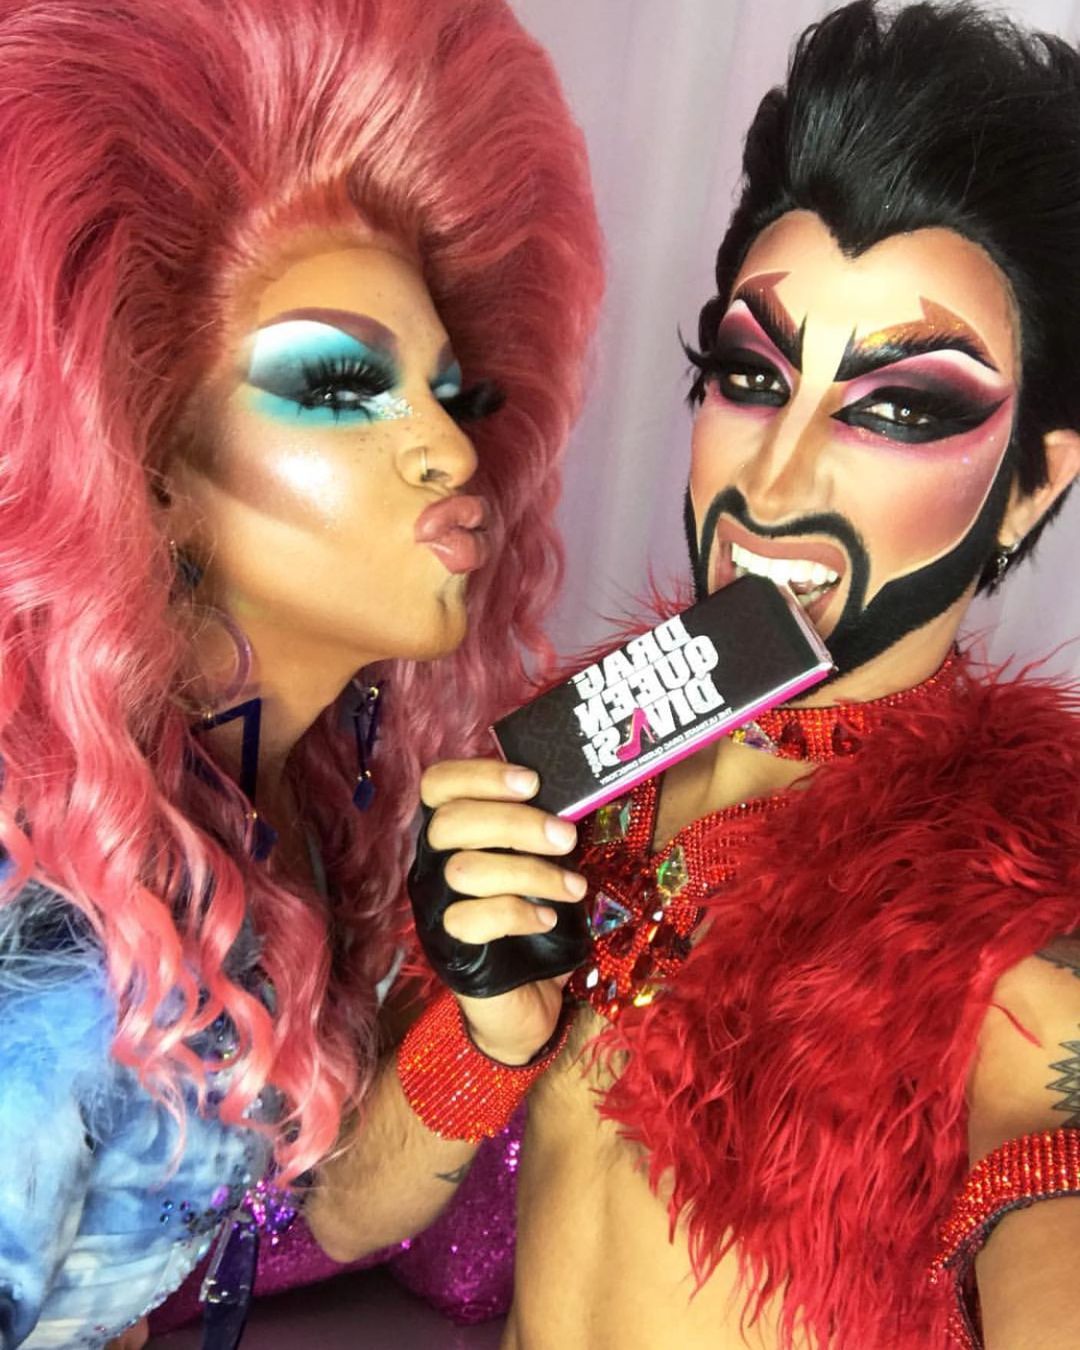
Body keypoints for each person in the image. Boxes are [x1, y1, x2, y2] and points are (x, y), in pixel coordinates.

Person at [308, 3, 1080, 1347]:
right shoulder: (576, 760)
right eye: (751, 374)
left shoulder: (1022, 910)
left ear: (1031, 487)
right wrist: (484, 1036)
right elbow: (338, 1217)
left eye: (899, 407)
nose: (774, 481)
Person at [0, 0, 601, 1344]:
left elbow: (312, 1215)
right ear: (150, 456)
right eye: (339, 384)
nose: (452, 450)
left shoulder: (292, 813)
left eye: (456, 393)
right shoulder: (51, 923)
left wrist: (489, 1031)